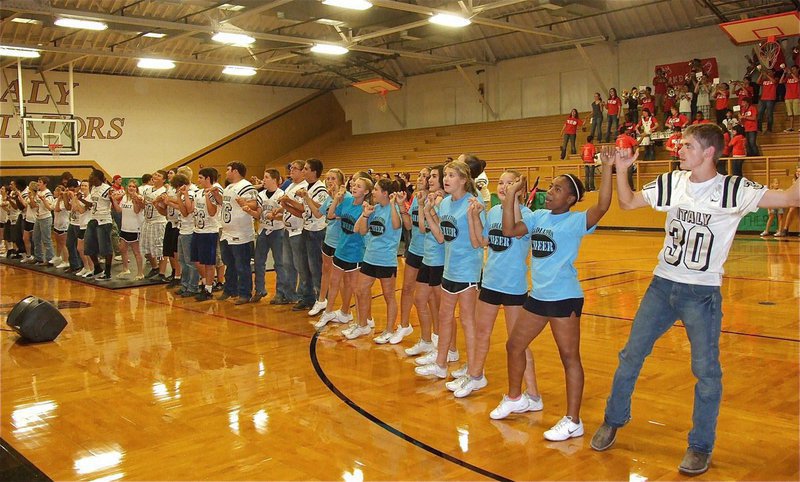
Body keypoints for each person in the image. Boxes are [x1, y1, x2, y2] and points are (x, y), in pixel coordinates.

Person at [590, 123, 800, 476]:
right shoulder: (673, 182)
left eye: (687, 145)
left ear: (709, 153)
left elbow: (790, 198)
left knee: (706, 372)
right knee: (630, 355)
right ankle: (614, 419)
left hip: (701, 294)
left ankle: (700, 445)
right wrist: (622, 170)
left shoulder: (733, 189)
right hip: (661, 286)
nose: (678, 149)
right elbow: (626, 204)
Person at [490, 151, 613, 443]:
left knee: (569, 357)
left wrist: (607, 168)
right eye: (551, 187)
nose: (550, 192)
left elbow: (604, 204)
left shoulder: (578, 220)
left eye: (558, 189)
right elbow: (509, 230)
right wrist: (511, 196)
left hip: (564, 298)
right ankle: (516, 397)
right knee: (514, 345)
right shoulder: (539, 216)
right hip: (538, 297)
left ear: (570, 199)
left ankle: (573, 421)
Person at [452, 169, 536, 399]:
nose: (503, 186)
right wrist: (474, 217)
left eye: (510, 184)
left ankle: (533, 393)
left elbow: (515, 229)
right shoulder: (494, 212)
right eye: (501, 182)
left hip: (514, 287)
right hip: (490, 282)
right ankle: (476, 375)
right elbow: (480, 241)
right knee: (481, 332)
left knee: (518, 342)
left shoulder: (528, 215)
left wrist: (514, 198)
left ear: (519, 190)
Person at [414, 160, 482, 381]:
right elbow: (441, 237)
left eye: (452, 175)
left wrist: (473, 216)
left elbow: (477, 241)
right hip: (450, 269)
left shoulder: (473, 202)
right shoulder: (445, 205)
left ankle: (473, 371)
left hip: (468, 270)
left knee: (467, 321)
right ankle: (441, 364)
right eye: (446, 175)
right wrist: (428, 212)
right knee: (444, 316)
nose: (446, 179)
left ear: (464, 180)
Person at [315, 176, 371, 333]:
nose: (354, 188)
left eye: (359, 186)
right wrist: (336, 199)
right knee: (334, 282)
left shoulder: (365, 209)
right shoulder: (346, 202)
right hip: (341, 248)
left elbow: (358, 230)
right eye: (354, 185)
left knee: (356, 290)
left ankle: (361, 323)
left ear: (366, 192)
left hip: (355, 253)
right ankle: (328, 313)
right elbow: (331, 215)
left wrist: (364, 214)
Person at [353, 178, 405, 342]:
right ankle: (362, 325)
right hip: (370, 257)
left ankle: (389, 330)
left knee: (388, 296)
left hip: (386, 260)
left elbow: (397, 226)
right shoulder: (374, 209)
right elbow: (361, 231)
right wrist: (365, 215)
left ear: (385, 193)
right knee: (360, 291)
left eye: (376, 189)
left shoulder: (394, 208)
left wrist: (392, 205)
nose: (373, 192)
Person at [404, 166, 446, 356]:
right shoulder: (429, 199)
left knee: (438, 306)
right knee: (420, 299)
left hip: (439, 258)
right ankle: (427, 340)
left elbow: (441, 236)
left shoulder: (444, 202)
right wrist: (422, 206)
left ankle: (439, 344)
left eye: (434, 177)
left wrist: (433, 207)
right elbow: (422, 228)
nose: (429, 179)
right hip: (427, 256)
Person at [213, 161, 258, 305]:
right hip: (227, 232)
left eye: (228, 169)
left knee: (242, 264)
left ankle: (245, 293)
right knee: (229, 263)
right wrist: (216, 195)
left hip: (241, 233)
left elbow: (254, 204)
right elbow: (224, 203)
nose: (226, 172)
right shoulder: (229, 187)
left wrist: (244, 202)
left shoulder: (246, 186)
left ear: (236, 171)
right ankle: (230, 289)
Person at [245, 168, 288, 303]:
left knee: (279, 263)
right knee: (258, 262)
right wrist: (250, 211)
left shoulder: (282, 195)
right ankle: (260, 290)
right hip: (263, 231)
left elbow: (285, 216)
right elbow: (258, 214)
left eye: (266, 177)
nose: (264, 180)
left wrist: (275, 217)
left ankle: (281, 293)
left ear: (274, 180)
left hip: (278, 231)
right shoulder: (261, 195)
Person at [296, 159, 330, 313]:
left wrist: (307, 198)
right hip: (306, 228)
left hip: (317, 230)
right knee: (304, 266)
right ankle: (308, 297)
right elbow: (304, 209)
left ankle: (321, 299)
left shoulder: (321, 189)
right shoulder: (305, 187)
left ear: (314, 171)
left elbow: (321, 210)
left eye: (306, 168)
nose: (303, 171)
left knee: (316, 267)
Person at [310, 169, 345, 311]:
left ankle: (345, 307)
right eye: (328, 178)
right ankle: (321, 300)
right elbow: (318, 214)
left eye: (333, 178)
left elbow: (337, 215)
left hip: (341, 241)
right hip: (329, 239)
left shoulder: (346, 198)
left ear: (341, 182)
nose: (329, 181)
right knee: (325, 270)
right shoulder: (329, 198)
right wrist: (307, 198)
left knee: (341, 277)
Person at [279, 160, 309, 308]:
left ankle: (304, 295)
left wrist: (288, 201)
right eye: (291, 168)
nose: (291, 170)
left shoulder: (305, 187)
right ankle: (290, 294)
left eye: (295, 168)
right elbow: (287, 205)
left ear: (303, 171)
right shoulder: (290, 185)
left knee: (300, 265)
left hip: (298, 230)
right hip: (288, 229)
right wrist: (280, 209)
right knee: (287, 263)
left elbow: (303, 209)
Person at [191, 168, 223, 301]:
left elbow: (211, 212)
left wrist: (207, 196)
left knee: (209, 263)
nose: (198, 180)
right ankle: (205, 283)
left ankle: (209, 289)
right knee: (197, 261)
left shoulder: (212, 193)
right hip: (197, 230)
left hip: (209, 231)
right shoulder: (198, 193)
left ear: (208, 179)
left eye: (200, 177)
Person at [80, 169, 114, 280]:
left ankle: (108, 273)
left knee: (105, 248)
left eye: (91, 176)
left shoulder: (107, 189)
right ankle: (97, 268)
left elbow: (114, 201)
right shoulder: (93, 188)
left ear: (97, 177)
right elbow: (92, 204)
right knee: (88, 246)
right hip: (93, 219)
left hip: (104, 220)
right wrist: (82, 200)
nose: (89, 178)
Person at [111, 179, 145, 279]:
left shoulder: (140, 198)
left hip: (135, 228)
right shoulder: (124, 197)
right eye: (129, 186)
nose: (131, 188)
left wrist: (135, 200)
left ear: (137, 188)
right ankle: (125, 269)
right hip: (124, 227)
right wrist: (113, 200)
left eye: (133, 186)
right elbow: (118, 210)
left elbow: (136, 211)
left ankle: (140, 273)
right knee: (122, 249)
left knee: (136, 252)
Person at [140, 170, 169, 278]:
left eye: (159, 175)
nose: (155, 176)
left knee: (160, 249)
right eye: (155, 174)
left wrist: (157, 202)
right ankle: (155, 268)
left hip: (158, 222)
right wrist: (137, 200)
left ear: (164, 179)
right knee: (146, 249)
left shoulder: (163, 191)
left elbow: (164, 207)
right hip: (147, 221)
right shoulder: (147, 190)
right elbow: (144, 206)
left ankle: (161, 273)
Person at [32, 177, 55, 265]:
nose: (38, 183)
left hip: (45, 218)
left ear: (45, 184)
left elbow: (49, 207)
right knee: (35, 238)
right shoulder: (38, 192)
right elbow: (35, 205)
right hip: (38, 217)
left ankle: (50, 259)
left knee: (46, 239)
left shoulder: (48, 193)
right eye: (38, 182)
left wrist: (43, 199)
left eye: (40, 182)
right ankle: (38, 257)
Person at [51, 186, 71, 269]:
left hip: (64, 224)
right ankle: (58, 256)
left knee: (63, 243)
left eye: (56, 191)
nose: (54, 192)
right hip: (56, 223)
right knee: (58, 242)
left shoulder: (64, 202)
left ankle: (66, 261)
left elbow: (56, 209)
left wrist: (60, 198)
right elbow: (50, 208)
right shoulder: (55, 200)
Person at [778, 166, 800, 236]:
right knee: (791, 211)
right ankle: (785, 229)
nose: (798, 173)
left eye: (799, 171)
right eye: (797, 171)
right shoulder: (794, 180)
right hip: (796, 198)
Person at [757, 68, 777, 132]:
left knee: (769, 114)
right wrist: (761, 74)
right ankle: (759, 128)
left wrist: (766, 75)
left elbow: (774, 82)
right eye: (768, 72)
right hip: (763, 99)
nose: (768, 73)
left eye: (770, 72)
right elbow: (757, 82)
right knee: (760, 114)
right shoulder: (764, 80)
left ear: (773, 73)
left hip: (770, 99)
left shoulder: (775, 78)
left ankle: (769, 129)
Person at [780, 65, 799, 132]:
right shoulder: (788, 77)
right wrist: (784, 73)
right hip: (788, 97)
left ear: (797, 70)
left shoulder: (798, 76)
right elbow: (780, 81)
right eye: (792, 69)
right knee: (790, 114)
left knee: (797, 113)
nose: (792, 70)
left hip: (796, 97)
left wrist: (791, 73)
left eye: (794, 69)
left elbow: (797, 80)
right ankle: (791, 127)